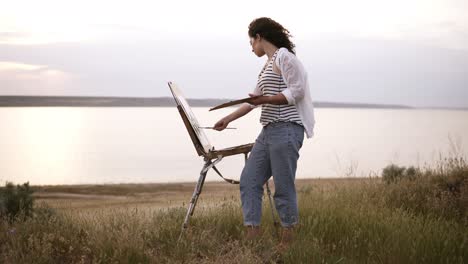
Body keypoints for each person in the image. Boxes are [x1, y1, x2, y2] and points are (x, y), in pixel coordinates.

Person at [213, 17, 315, 250]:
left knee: (283, 186)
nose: (251, 48)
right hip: (268, 130)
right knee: (249, 180)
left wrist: (266, 99)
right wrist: (227, 119)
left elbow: (297, 91)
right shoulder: (268, 65)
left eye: (251, 42)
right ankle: (253, 239)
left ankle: (288, 242)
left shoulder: (285, 57)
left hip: (287, 128)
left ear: (259, 37)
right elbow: (253, 101)